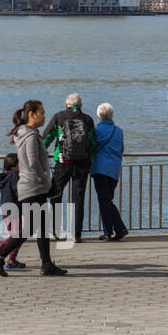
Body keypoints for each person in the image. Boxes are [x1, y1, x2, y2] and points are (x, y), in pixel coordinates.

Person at [0, 100, 67, 277]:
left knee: (39, 227)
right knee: (30, 228)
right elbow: (33, 163)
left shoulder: (27, 134)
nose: (44, 116)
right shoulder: (30, 136)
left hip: (31, 187)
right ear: (32, 114)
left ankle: (46, 264)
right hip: (33, 187)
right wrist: (45, 181)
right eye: (42, 113)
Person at [44, 92, 96, 243]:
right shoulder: (87, 119)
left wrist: (41, 156)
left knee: (56, 195)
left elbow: (47, 137)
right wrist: (88, 159)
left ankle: (55, 231)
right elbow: (92, 143)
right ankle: (76, 234)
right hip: (82, 163)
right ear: (80, 106)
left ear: (66, 104)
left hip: (62, 161)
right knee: (78, 198)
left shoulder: (59, 117)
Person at [90, 102, 128, 241]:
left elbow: (92, 147)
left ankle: (110, 232)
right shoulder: (118, 131)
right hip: (114, 169)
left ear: (98, 115)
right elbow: (121, 149)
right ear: (111, 115)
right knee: (107, 200)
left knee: (104, 200)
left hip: (100, 168)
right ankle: (119, 229)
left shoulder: (95, 130)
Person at [0, 153, 25, 269]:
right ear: (14, 165)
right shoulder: (15, 176)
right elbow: (18, 191)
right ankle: (3, 253)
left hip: (6, 208)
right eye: (20, 163)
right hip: (14, 209)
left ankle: (7, 255)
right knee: (18, 235)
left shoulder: (4, 177)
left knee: (16, 234)